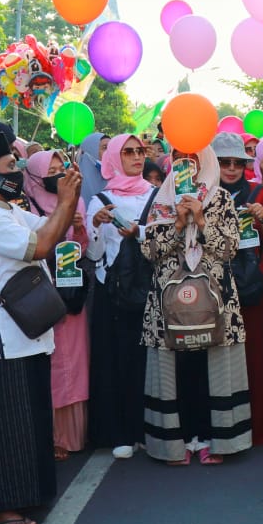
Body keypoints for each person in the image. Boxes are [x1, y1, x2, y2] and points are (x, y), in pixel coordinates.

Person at [0, 124, 82, 524]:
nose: (19, 171)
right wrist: (66, 199)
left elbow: (52, 228)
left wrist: (69, 199)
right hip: (1, 339)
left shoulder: (7, 209)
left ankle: (28, 494)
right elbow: (42, 245)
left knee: (29, 420)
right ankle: (2, 506)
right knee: (5, 425)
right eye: (11, 165)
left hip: (25, 334)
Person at [141, 144, 252, 465]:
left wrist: (201, 221)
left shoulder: (220, 198)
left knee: (211, 368)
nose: (185, 163)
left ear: (204, 161)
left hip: (214, 299)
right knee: (176, 372)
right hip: (168, 302)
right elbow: (149, 252)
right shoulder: (161, 199)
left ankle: (215, 441)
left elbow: (231, 247)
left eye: (192, 157)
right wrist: (177, 226)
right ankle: (176, 443)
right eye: (178, 156)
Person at [86, 134, 157, 460]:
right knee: (114, 361)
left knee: (147, 361)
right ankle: (120, 431)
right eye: (127, 152)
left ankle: (146, 428)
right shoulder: (100, 200)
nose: (136, 157)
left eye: (139, 151)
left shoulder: (156, 196)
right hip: (111, 292)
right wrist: (98, 226)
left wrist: (138, 232)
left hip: (148, 288)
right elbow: (93, 252)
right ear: (114, 157)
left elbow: (165, 238)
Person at [214, 132, 263, 444]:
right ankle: (220, 427)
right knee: (214, 358)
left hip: (249, 286)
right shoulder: (200, 193)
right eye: (223, 162)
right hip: (211, 285)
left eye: (237, 163)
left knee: (254, 356)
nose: (231, 168)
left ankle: (257, 426)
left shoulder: (258, 192)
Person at [25, 150, 90, 460]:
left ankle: (74, 435)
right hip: (43, 295)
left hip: (70, 295)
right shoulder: (27, 206)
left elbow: (81, 249)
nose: (55, 175)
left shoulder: (76, 201)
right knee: (49, 363)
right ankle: (52, 437)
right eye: (48, 170)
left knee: (75, 363)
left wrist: (78, 228)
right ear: (35, 175)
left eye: (59, 168)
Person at [77, 132, 110, 205]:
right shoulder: (75, 183)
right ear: (90, 150)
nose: (110, 152)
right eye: (105, 147)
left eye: (111, 147)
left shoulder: (117, 178)